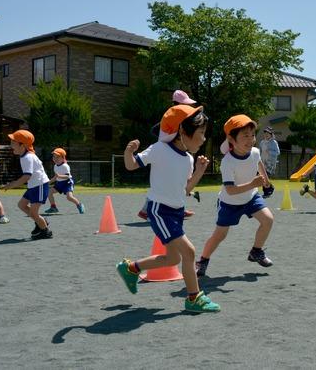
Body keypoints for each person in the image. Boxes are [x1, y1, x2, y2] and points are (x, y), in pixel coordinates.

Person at [116, 105, 220, 313]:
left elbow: (186, 189)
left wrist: (199, 171)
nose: (203, 139)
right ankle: (194, 298)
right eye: (200, 133)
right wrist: (129, 151)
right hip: (160, 211)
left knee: (173, 258)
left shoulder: (189, 159)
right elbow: (131, 165)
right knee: (189, 252)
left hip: (176, 212)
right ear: (182, 132)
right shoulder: (159, 149)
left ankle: (130, 268)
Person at [196, 115, 274, 277]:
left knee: (268, 220)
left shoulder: (255, 152)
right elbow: (230, 190)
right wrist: (254, 183)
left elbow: (259, 163)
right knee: (219, 236)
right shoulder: (228, 162)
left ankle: (256, 251)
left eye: (252, 135)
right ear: (231, 139)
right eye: (245, 135)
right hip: (229, 202)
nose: (250, 139)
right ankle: (202, 261)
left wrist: (265, 180)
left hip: (251, 198)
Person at [138, 89, 197, 220]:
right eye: (186, 104)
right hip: (167, 154)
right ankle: (148, 210)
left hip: (174, 152)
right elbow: (154, 129)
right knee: (165, 184)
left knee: (174, 182)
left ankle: (177, 208)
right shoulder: (172, 117)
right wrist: (164, 140)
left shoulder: (182, 118)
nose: (189, 107)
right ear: (177, 104)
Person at [3, 130, 52, 239]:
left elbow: (26, 177)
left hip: (39, 186)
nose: (11, 145)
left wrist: (11, 185)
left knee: (34, 213)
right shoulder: (25, 156)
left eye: (13, 142)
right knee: (22, 205)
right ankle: (40, 222)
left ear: (23, 145)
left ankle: (45, 231)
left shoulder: (27, 157)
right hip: (34, 186)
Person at [44, 148, 85, 214]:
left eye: (58, 157)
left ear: (63, 158)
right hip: (59, 183)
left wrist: (59, 176)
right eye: (54, 157)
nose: (55, 158)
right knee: (49, 192)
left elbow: (67, 176)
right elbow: (56, 177)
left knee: (69, 197)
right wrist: (48, 182)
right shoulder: (55, 166)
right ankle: (53, 207)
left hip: (67, 183)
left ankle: (79, 205)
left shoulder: (65, 166)